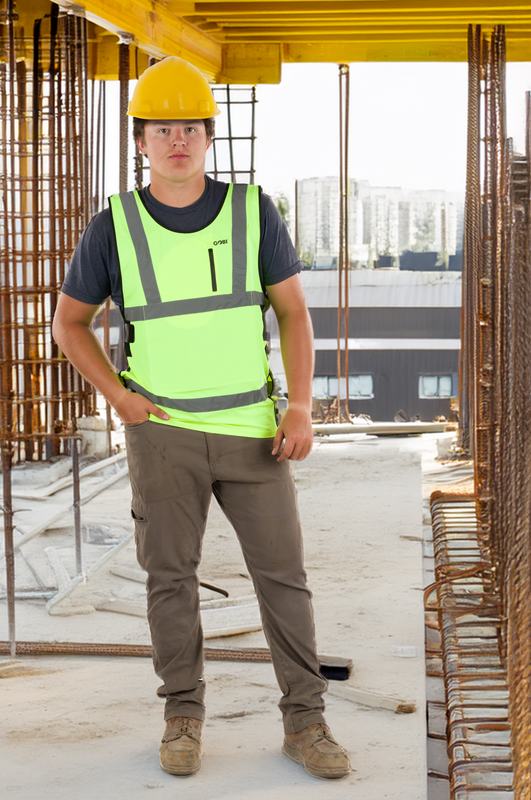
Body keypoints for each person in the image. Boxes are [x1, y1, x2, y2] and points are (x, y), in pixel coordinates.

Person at [52, 56, 350, 781]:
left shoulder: (253, 212)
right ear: (141, 141)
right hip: (163, 435)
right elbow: (69, 324)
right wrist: (118, 397)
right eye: (162, 129)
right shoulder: (113, 227)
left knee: (283, 579)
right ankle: (181, 716)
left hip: (253, 431)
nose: (177, 140)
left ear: (209, 137)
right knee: (169, 580)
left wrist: (300, 405)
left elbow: (293, 311)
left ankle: (305, 723)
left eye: (190, 127)